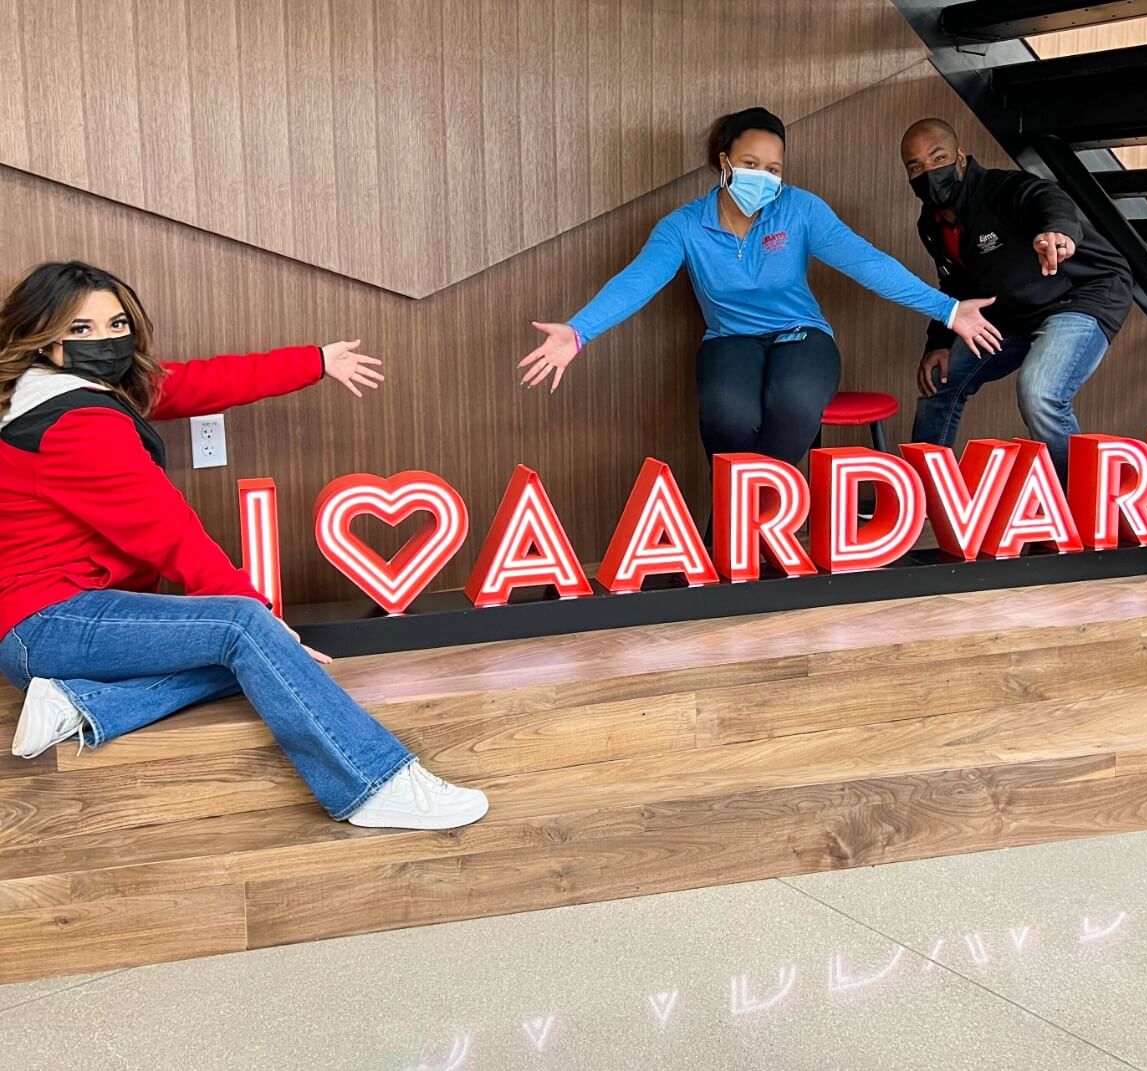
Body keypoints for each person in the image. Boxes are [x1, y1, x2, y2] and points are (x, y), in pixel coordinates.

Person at [0, 261, 490, 829]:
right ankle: (374, 783)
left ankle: (78, 703)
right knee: (245, 632)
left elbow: (192, 382)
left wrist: (315, 362)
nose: (106, 342)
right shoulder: (78, 423)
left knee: (260, 656)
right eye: (80, 330)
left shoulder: (43, 393)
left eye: (116, 325)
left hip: (49, 628)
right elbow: (169, 532)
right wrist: (259, 620)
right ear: (40, 336)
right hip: (52, 622)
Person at [519, 107, 964, 468]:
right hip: (731, 339)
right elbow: (638, 281)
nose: (764, 177)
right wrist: (579, 332)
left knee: (792, 402)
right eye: (751, 165)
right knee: (727, 416)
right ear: (724, 161)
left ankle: (743, 531)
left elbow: (868, 263)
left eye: (774, 168)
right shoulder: (685, 226)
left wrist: (948, 310)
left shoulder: (799, 209)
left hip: (801, 334)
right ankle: (747, 540)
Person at [900, 118, 1134, 482]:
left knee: (1039, 393)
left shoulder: (1000, 189)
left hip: (1078, 296)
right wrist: (941, 342)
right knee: (940, 381)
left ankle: (1079, 501)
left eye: (938, 158)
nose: (929, 172)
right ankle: (923, 492)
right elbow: (956, 283)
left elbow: (1046, 197)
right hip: (1011, 312)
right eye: (916, 166)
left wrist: (1057, 229)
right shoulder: (930, 224)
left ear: (960, 158)